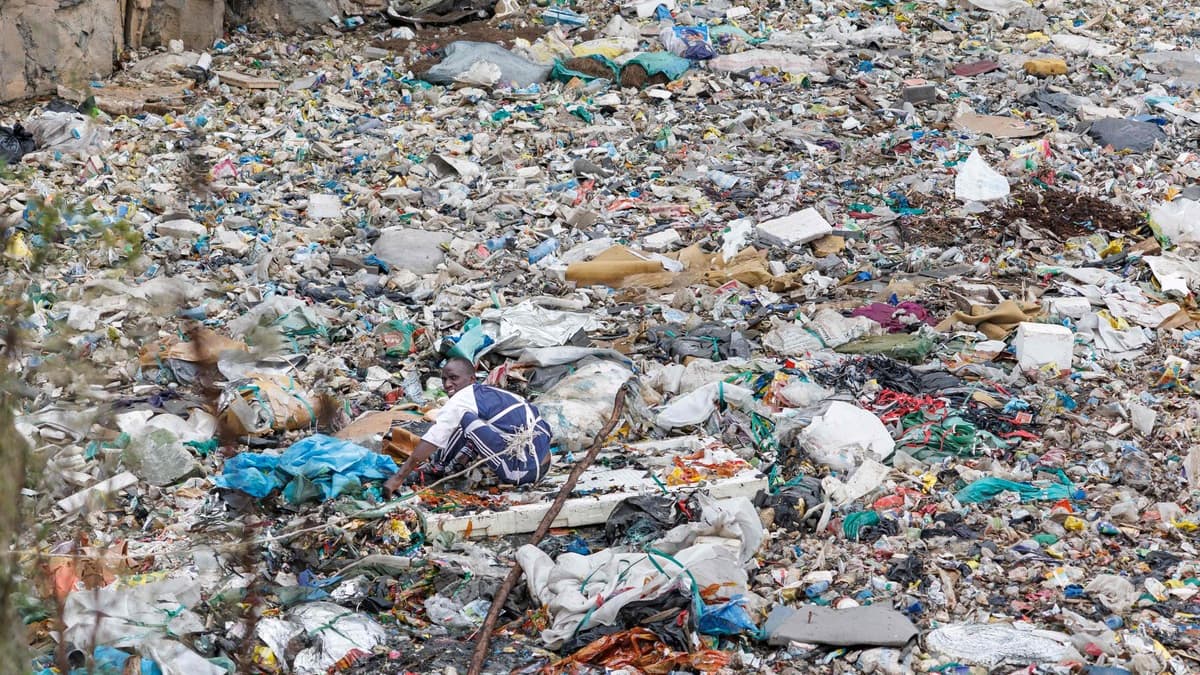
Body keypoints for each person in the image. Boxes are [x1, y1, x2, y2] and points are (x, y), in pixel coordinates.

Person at [384, 357, 553, 494]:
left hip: (522, 472)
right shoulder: (495, 394)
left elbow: (433, 439)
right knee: (469, 422)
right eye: (444, 379)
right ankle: (445, 466)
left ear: (472, 379)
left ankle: (438, 468)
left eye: (454, 378)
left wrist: (398, 477)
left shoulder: (461, 400)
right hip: (544, 465)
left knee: (465, 421)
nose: (447, 384)